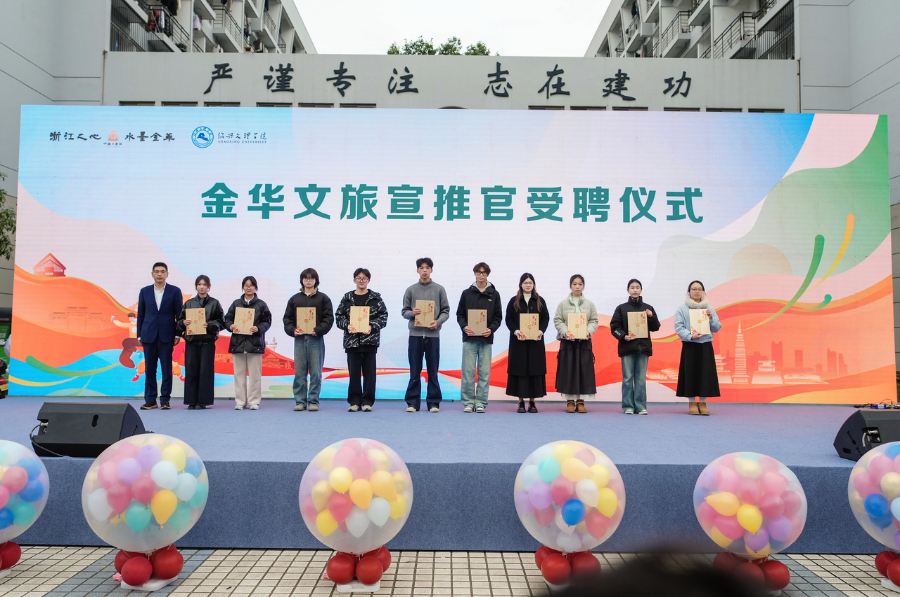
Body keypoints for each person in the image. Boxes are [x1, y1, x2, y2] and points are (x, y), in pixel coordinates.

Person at [335, 268, 388, 412]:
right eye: (358, 278)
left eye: (364, 278)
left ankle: (367, 402)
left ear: (369, 280)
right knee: (354, 374)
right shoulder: (347, 298)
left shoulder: (376, 298)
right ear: (354, 280)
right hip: (352, 342)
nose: (361, 281)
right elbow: (339, 317)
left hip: (370, 341)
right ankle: (354, 402)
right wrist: (347, 325)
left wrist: (372, 326)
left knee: (370, 375)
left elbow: (383, 317)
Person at [401, 257, 450, 413]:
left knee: (432, 371)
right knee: (414, 371)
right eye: (421, 268)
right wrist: (412, 313)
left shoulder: (439, 289)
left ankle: (433, 403)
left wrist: (438, 322)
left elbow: (446, 311)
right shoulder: (411, 290)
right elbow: (404, 312)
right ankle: (412, 403)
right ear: (417, 270)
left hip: (433, 335)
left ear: (431, 270)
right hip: (415, 336)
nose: (424, 270)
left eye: (427, 268)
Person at [283, 268, 334, 412]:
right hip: (299, 339)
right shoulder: (294, 299)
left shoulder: (323, 298)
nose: (308, 281)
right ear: (302, 280)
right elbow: (287, 319)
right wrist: (293, 330)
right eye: (306, 278)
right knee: (299, 372)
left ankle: (313, 401)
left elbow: (329, 319)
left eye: (311, 278)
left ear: (316, 280)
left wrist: (318, 330)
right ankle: (300, 401)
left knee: (316, 372)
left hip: (315, 339)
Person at [456, 262, 503, 414]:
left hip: (486, 339)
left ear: (487, 274)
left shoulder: (494, 294)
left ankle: (481, 402)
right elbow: (460, 314)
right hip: (469, 339)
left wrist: (491, 329)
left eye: (484, 272)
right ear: (474, 273)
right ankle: (469, 402)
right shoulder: (466, 293)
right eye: (478, 272)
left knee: (484, 372)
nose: (481, 275)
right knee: (468, 372)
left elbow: (498, 317)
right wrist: (464, 327)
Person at [610, 279, 661, 415]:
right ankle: (628, 406)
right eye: (632, 287)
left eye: (637, 287)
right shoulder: (621, 308)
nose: (635, 290)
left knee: (640, 379)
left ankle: (640, 406)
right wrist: (623, 336)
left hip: (643, 348)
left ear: (641, 290)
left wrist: (651, 316)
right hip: (627, 348)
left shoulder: (648, 308)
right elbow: (614, 327)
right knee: (627, 378)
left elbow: (656, 327)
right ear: (628, 290)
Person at [136, 262, 183, 410]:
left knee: (166, 369)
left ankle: (165, 400)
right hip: (148, 335)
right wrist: (139, 335)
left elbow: (179, 315)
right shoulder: (144, 291)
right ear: (152, 274)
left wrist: (178, 333)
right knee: (150, 369)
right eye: (156, 271)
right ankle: (150, 400)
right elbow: (141, 314)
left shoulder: (175, 291)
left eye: (162, 271)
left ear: (167, 274)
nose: (159, 274)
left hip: (167, 335)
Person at [553, 275, 600, 413]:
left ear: (583, 286)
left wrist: (588, 331)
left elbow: (594, 321)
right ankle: (569, 401)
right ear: (570, 286)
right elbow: (558, 320)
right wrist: (566, 332)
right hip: (568, 342)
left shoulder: (589, 304)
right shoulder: (563, 304)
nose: (577, 287)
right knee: (568, 371)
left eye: (580, 284)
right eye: (574, 284)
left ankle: (580, 401)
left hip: (584, 343)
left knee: (583, 371)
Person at [176, 275, 224, 410]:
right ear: (196, 286)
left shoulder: (214, 303)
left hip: (208, 342)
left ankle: (203, 401)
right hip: (192, 341)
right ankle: (191, 400)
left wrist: (210, 325)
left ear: (209, 287)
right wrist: (183, 323)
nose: (201, 287)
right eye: (199, 284)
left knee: (205, 371)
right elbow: (179, 322)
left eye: (204, 284)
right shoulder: (189, 303)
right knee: (191, 370)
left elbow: (222, 322)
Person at [224, 276, 272, 411]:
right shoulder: (236, 304)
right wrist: (230, 326)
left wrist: (258, 328)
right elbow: (227, 319)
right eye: (246, 285)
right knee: (239, 375)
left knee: (255, 375)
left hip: (255, 344)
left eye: (251, 285)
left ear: (255, 288)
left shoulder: (261, 304)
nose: (249, 288)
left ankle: (254, 401)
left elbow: (267, 321)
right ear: (243, 287)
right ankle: (240, 402)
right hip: (238, 344)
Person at [674, 280, 722, 416]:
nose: (696, 291)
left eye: (699, 289)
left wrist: (711, 318)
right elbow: (678, 327)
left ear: (703, 292)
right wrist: (690, 336)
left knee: (705, 374)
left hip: (705, 345)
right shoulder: (682, 309)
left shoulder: (709, 309)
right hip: (690, 344)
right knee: (690, 373)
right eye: (694, 289)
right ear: (689, 292)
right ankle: (692, 403)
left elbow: (716, 328)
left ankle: (702, 402)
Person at [505, 273, 550, 413]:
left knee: (534, 370)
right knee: (520, 370)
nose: (528, 285)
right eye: (525, 283)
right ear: (521, 284)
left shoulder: (539, 300)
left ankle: (532, 402)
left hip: (535, 342)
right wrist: (516, 331)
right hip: (519, 342)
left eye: (530, 282)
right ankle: (520, 402)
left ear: (534, 284)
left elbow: (545, 318)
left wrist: (541, 331)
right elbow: (508, 319)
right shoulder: (514, 301)